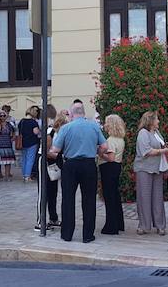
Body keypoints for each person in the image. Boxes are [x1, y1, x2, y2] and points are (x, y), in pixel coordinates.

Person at [48, 102, 115, 243]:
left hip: (70, 165)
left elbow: (55, 150)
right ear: (84, 113)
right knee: (89, 200)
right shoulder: (94, 126)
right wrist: (97, 152)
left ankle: (67, 234)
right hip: (89, 164)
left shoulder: (66, 128)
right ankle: (88, 235)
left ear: (72, 114)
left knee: (68, 199)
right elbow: (104, 146)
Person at [134, 111, 168, 235]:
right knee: (144, 197)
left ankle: (160, 226)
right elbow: (146, 151)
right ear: (150, 121)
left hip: (157, 168)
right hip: (144, 169)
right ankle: (144, 226)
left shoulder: (156, 133)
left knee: (158, 197)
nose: (158, 121)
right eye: (157, 119)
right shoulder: (143, 133)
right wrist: (163, 150)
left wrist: (164, 147)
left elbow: (160, 144)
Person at [36, 112, 67, 230]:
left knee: (53, 191)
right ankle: (40, 221)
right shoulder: (51, 133)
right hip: (44, 162)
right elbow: (45, 151)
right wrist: (57, 154)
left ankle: (53, 218)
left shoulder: (60, 133)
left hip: (53, 163)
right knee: (43, 192)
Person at [99, 114, 126, 235]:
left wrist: (99, 154)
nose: (105, 125)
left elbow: (110, 158)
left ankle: (111, 226)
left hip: (109, 168)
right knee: (115, 196)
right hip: (117, 167)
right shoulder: (120, 139)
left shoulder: (110, 140)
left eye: (106, 123)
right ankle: (119, 223)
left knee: (109, 197)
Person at [18, 106, 41, 182]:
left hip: (23, 142)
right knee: (30, 159)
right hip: (32, 142)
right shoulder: (33, 122)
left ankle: (24, 175)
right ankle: (28, 176)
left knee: (24, 159)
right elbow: (36, 132)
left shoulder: (22, 121)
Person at [0, 109, 14, 182]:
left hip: (7, 145)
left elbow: (12, 134)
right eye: (0, 116)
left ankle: (7, 176)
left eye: (4, 115)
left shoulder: (9, 124)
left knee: (8, 162)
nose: (2, 117)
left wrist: (12, 138)